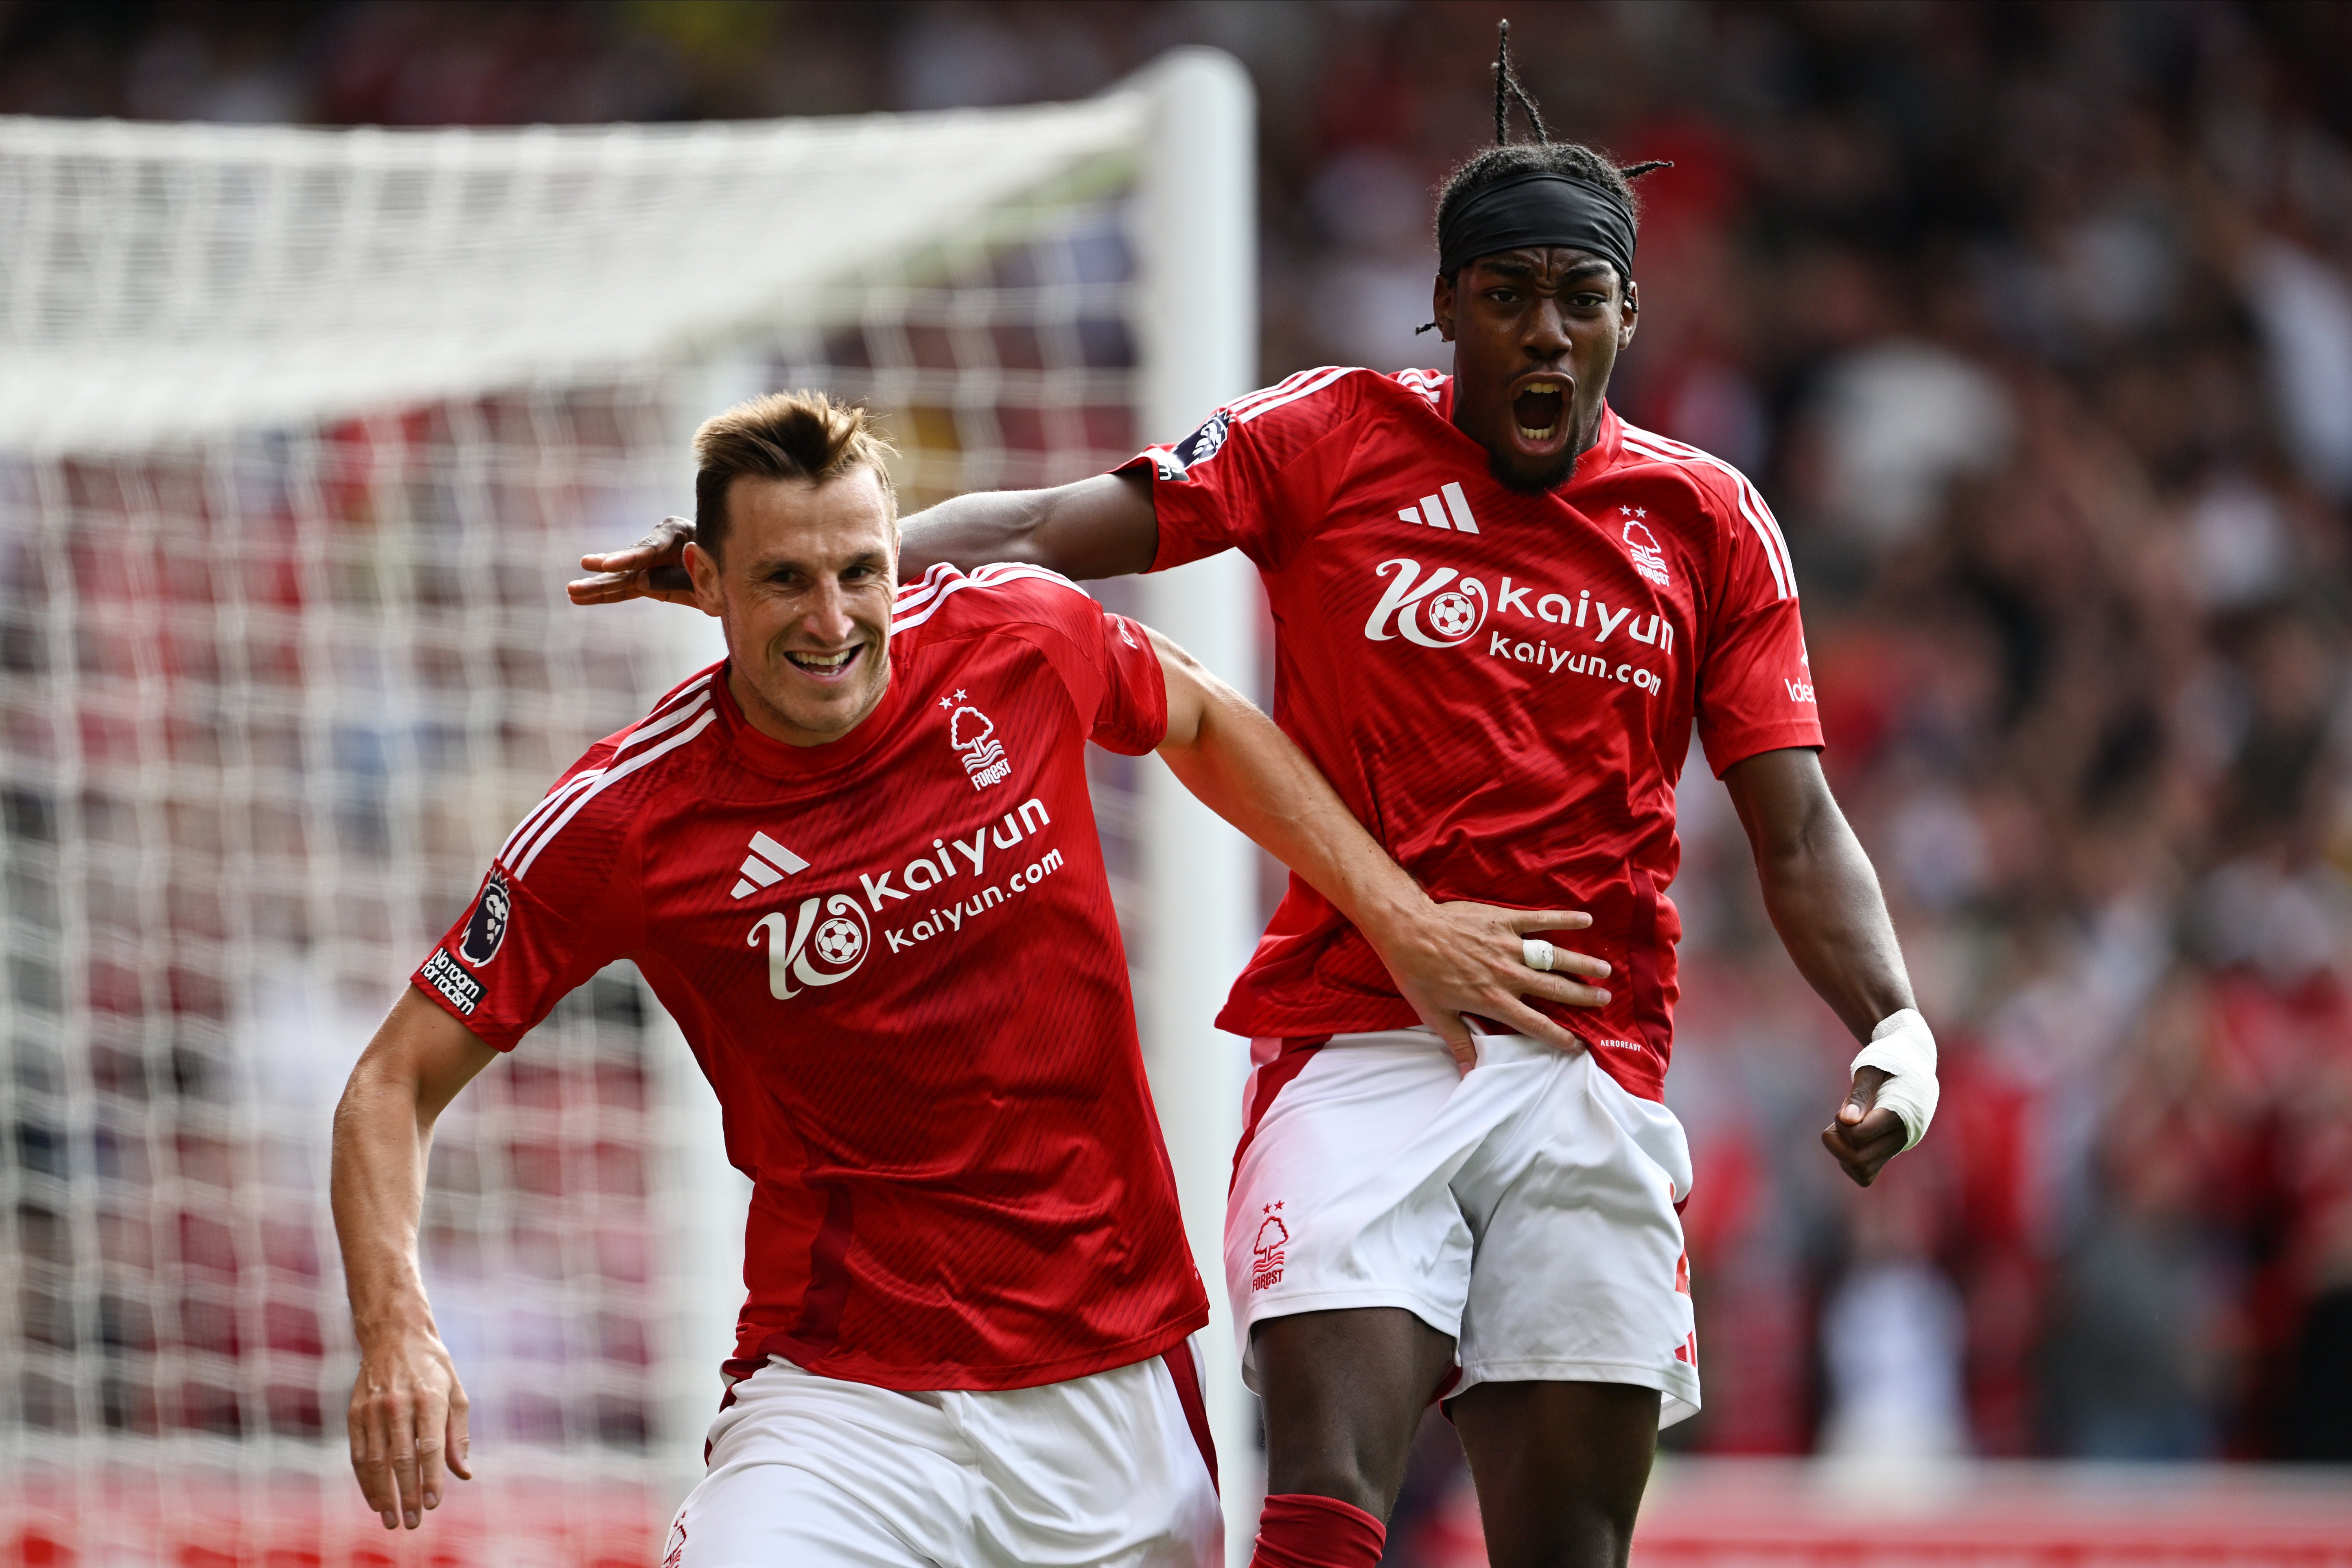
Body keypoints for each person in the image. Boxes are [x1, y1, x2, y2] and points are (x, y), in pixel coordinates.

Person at [573, 31, 1943, 1568]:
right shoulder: (1329, 434)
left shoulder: (1707, 523)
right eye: (1506, 299)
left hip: (1586, 1060)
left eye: (1580, 299)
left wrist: (1891, 1019)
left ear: (1630, 310)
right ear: (1446, 313)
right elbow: (1037, 522)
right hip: (1360, 1043)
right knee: (1321, 1503)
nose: (1543, 335)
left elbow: (1799, 823)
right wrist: (823, 581)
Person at [334, 391, 1603, 1566]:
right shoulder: (627, 820)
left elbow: (1202, 714)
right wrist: (398, 1325)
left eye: (859, 572)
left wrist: (1396, 921)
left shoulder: (1015, 635)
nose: (831, 622)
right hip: (841, 1406)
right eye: (782, 581)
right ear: (706, 585)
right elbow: (391, 1083)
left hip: (1111, 1391)